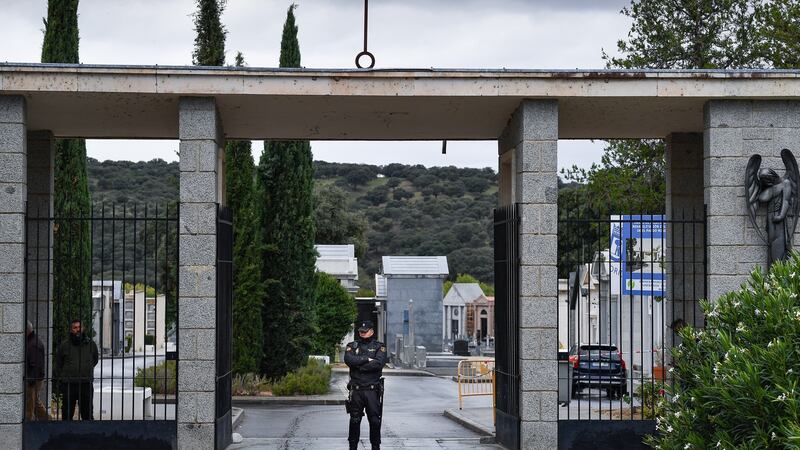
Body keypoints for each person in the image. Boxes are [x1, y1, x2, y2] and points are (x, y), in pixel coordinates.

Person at [344, 320, 386, 450]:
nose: (362, 333)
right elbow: (349, 360)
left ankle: (375, 446)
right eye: (361, 331)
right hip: (356, 390)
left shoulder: (379, 346)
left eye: (365, 331)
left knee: (374, 421)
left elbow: (379, 364)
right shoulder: (352, 345)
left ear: (372, 331)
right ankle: (352, 447)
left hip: (372, 390)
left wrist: (358, 366)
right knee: (355, 420)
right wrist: (366, 359)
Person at [54, 319, 98, 420]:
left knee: (87, 413)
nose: (77, 330)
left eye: (79, 327)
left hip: (85, 383)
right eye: (75, 328)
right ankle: (66, 433)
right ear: (71, 330)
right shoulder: (65, 345)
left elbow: (95, 360)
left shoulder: (91, 345)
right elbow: (59, 363)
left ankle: (88, 433)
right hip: (69, 384)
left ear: (83, 328)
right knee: (67, 413)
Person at [25, 321, 49, 420]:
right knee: (35, 402)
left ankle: (31, 423)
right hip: (34, 377)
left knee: (31, 403)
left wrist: (31, 381)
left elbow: (36, 365)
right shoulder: (32, 341)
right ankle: (47, 421)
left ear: (26, 330)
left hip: (34, 378)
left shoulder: (33, 344)